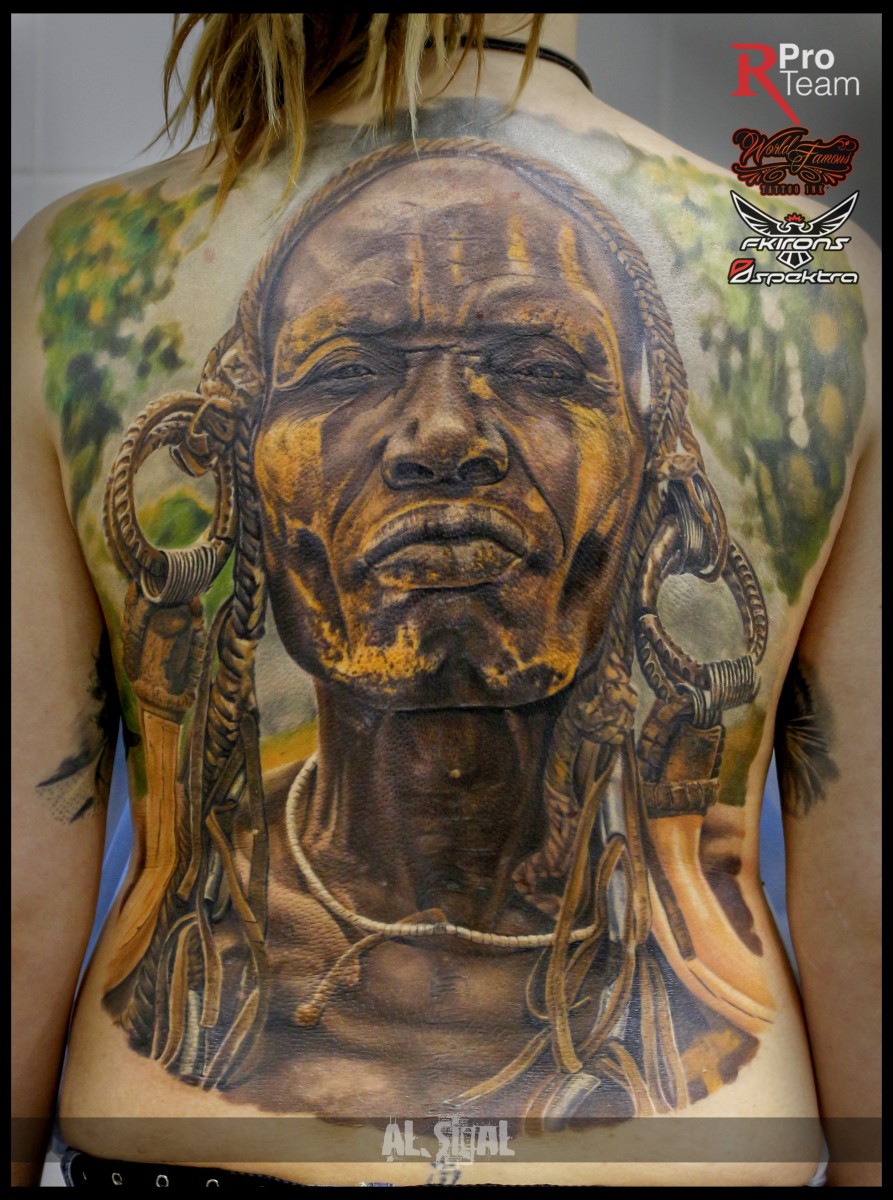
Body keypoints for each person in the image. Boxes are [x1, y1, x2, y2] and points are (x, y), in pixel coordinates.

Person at [12, 13, 880, 1188]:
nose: (441, 434)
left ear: (660, 477)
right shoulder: (817, 272)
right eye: (347, 369)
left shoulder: (62, 264)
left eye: (538, 365)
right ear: (230, 466)